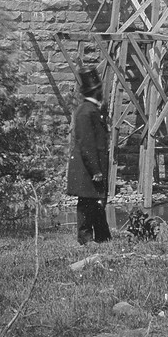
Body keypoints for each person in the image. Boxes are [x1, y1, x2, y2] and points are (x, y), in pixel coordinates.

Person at [67, 67, 112, 245]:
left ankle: (103, 237)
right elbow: (86, 144)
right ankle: (85, 238)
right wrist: (95, 170)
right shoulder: (86, 112)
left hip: (93, 165)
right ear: (97, 90)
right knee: (87, 203)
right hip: (88, 167)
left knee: (96, 202)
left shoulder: (91, 109)